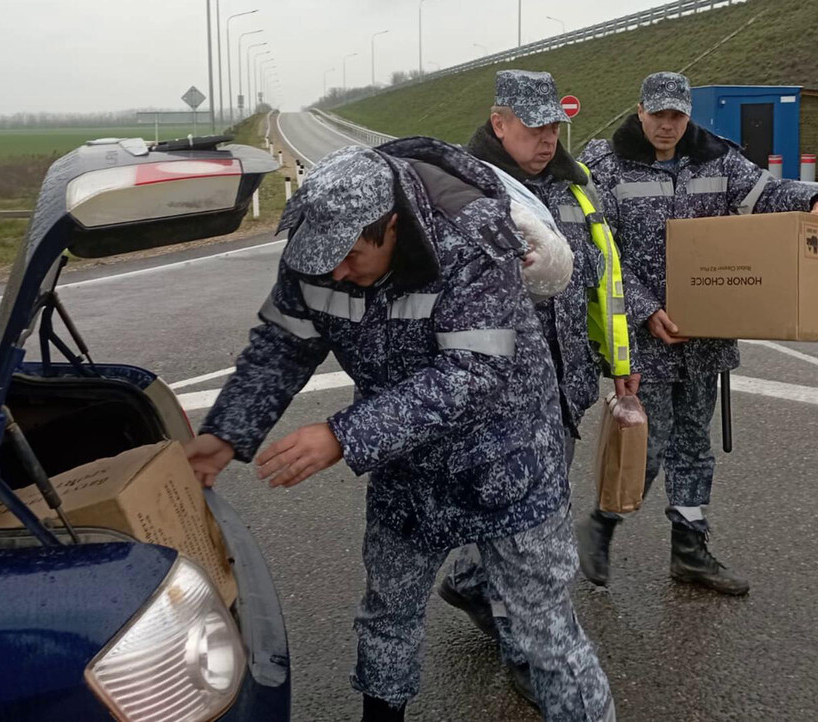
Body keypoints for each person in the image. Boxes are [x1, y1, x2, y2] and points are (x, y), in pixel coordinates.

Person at [183, 141, 615, 722]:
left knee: (543, 632)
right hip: (405, 466)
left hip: (506, 461)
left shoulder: (470, 245)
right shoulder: (318, 254)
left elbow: (474, 372)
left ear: (391, 225)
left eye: (350, 257)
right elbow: (282, 345)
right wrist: (228, 432)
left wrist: (343, 435)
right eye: (322, 261)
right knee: (388, 614)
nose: (335, 273)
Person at [577, 71, 818, 594]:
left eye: (676, 115)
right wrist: (644, 308)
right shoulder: (605, 167)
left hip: (705, 339)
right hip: (644, 339)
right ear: (640, 111)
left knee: (693, 448)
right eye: (657, 115)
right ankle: (603, 524)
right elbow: (597, 248)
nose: (666, 125)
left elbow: (769, 193)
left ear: (687, 115)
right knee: (645, 447)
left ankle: (690, 548)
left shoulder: (718, 159)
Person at [436, 69, 635, 702]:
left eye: (554, 126)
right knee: (529, 526)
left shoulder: (577, 189)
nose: (547, 139)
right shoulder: (462, 188)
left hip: (567, 381)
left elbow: (603, 279)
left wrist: (619, 358)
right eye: (533, 127)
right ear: (500, 123)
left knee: (525, 514)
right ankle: (529, 651)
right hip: (497, 391)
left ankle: (471, 581)